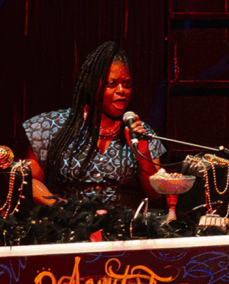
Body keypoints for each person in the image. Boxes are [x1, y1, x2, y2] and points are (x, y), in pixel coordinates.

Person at [22, 41, 165, 208]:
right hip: (67, 227)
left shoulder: (141, 133)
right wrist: (60, 208)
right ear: (92, 85)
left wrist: (142, 152)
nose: (121, 90)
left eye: (126, 84)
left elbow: (155, 193)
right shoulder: (49, 126)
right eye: (111, 84)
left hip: (123, 229)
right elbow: (29, 181)